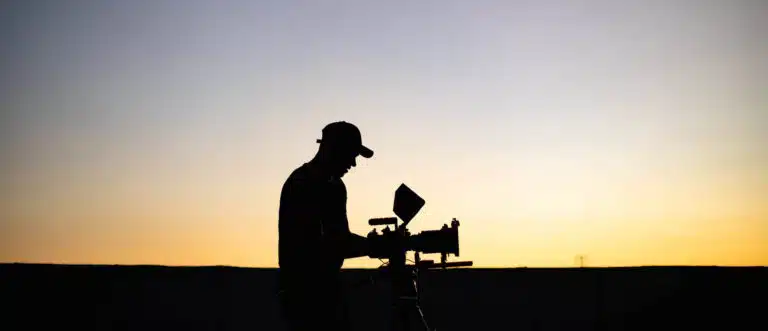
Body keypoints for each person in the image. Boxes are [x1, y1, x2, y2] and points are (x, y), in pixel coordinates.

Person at [277, 121, 376, 331]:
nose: (353, 164)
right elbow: (323, 245)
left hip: (329, 293)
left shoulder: (336, 188)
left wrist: (370, 245)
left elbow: (340, 237)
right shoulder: (300, 184)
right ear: (333, 150)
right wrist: (372, 246)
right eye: (351, 155)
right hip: (304, 297)